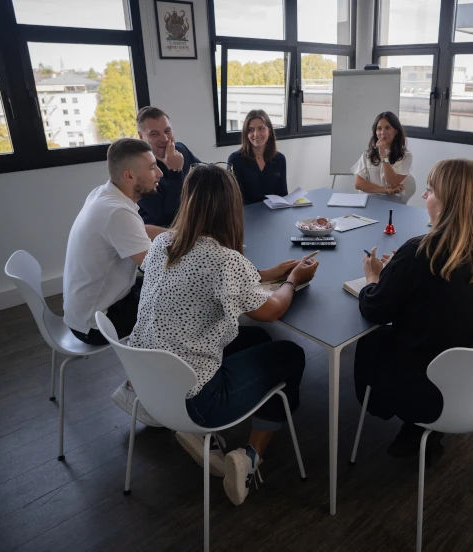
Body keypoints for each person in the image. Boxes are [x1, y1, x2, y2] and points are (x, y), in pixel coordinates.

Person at [129, 164, 319, 506]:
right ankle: (249, 457)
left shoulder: (162, 243)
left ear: (188, 201)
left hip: (151, 385)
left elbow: (209, 282)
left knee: (260, 340)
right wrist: (293, 281)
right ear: (230, 206)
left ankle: (198, 432)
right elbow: (272, 310)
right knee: (291, 355)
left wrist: (267, 273)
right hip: (197, 401)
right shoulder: (224, 260)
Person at [354, 159, 473, 461]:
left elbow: (375, 309)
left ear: (448, 202)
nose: (423, 196)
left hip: (434, 394)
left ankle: (411, 425)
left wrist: (374, 278)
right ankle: (416, 434)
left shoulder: (421, 252)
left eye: (430, 190)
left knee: (373, 340)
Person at [63, 138, 167, 427]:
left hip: (87, 307)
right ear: (129, 176)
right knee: (174, 313)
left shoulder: (105, 194)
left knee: (161, 302)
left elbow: (140, 230)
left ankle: (150, 385)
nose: (159, 172)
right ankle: (135, 392)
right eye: (152, 167)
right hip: (97, 320)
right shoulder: (116, 212)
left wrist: (180, 233)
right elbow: (158, 269)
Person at [136, 106, 202, 226]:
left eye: (167, 131)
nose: (165, 139)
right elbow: (168, 218)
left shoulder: (181, 150)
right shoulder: (138, 172)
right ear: (141, 137)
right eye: (154, 134)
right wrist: (175, 172)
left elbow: (206, 179)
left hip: (194, 225)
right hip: (162, 236)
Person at [352, 111, 416, 204]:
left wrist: (383, 156)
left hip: (392, 200)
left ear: (396, 131)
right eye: (379, 129)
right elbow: (358, 184)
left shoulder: (406, 156)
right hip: (368, 200)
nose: (382, 133)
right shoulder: (367, 154)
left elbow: (393, 183)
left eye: (387, 128)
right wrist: (387, 190)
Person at [227, 110, 288, 204]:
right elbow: (234, 199)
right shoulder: (235, 160)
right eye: (251, 130)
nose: (256, 134)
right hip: (246, 216)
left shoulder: (280, 159)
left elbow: (283, 194)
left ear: (269, 130)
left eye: (261, 128)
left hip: (274, 214)